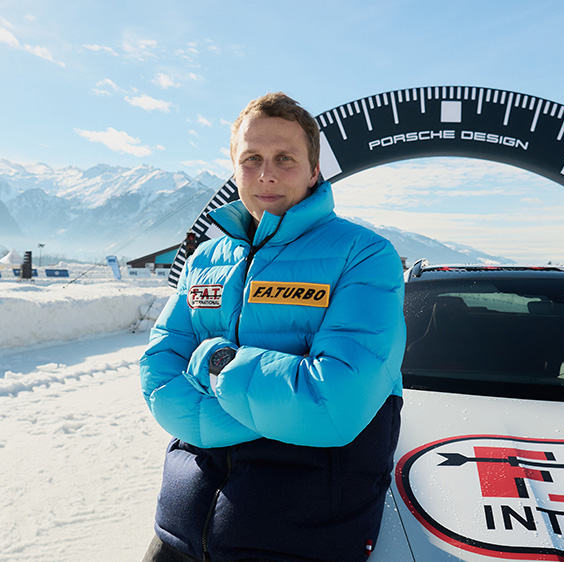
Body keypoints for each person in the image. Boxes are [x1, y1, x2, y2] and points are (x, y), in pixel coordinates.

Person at [140, 92, 406, 562]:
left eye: (285, 158)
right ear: (235, 168)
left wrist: (214, 362)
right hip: (182, 524)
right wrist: (272, 411)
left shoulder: (364, 255)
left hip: (297, 535)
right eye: (252, 159)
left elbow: (332, 405)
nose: (266, 173)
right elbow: (158, 375)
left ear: (314, 170)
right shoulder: (207, 257)